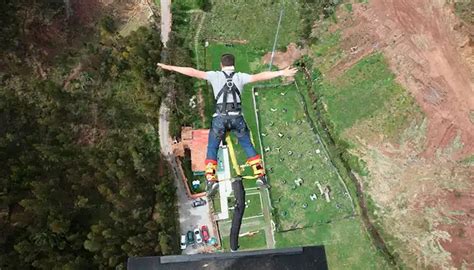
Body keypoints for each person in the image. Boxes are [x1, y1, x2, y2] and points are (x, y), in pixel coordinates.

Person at [157, 54, 297, 194]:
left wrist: (170, 67)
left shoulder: (214, 76)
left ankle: (211, 179)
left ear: (221, 64)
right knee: (247, 145)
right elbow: (261, 75)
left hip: (220, 119)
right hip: (237, 118)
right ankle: (260, 176)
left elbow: (192, 71)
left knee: (212, 147)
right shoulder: (241, 77)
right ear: (233, 64)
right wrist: (282, 72)